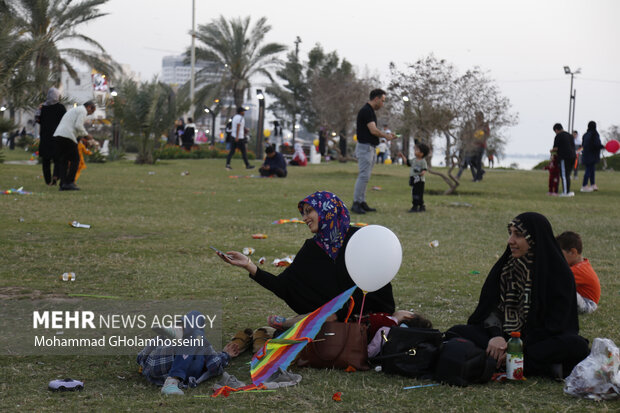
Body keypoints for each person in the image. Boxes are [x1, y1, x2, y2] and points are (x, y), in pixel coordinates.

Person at [446, 212, 589, 379]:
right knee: (455, 332)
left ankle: (498, 360)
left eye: (518, 235)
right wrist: (496, 337)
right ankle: (526, 365)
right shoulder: (507, 268)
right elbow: (491, 310)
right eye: (510, 234)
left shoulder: (558, 274)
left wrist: (517, 346)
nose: (511, 241)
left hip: (535, 342)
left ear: (534, 238)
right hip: (504, 336)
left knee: (576, 346)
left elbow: (556, 325)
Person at [217, 191, 395, 320]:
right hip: (336, 320)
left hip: (369, 315)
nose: (304, 218)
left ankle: (291, 324)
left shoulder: (359, 238)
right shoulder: (312, 248)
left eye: (309, 211)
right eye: (303, 213)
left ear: (327, 210)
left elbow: (379, 282)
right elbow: (284, 286)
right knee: (323, 320)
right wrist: (248, 264)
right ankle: (293, 324)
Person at [137, 310, 238, 395]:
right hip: (169, 363)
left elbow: (143, 354)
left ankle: (179, 329)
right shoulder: (200, 342)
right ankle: (172, 381)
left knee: (196, 325)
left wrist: (142, 361)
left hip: (161, 362)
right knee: (197, 321)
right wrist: (225, 355)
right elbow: (215, 364)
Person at [352, 89, 396, 214]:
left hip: (370, 147)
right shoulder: (366, 111)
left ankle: (362, 202)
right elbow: (373, 131)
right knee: (363, 176)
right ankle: (356, 203)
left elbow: (374, 131)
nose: (383, 104)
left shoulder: (370, 111)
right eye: (382, 101)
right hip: (365, 147)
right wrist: (386, 136)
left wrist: (386, 135)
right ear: (376, 99)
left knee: (366, 177)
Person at [53, 101, 96, 191]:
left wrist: (81, 137)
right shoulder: (83, 111)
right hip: (67, 136)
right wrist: (87, 136)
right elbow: (78, 126)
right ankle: (69, 182)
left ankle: (63, 183)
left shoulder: (75, 110)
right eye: (90, 112)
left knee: (64, 161)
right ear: (88, 107)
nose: (88, 115)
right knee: (75, 159)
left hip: (59, 135)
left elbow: (74, 126)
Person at [556, 231, 601, 314]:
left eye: (559, 255)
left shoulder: (578, 270)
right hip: (583, 301)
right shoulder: (581, 265)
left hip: (588, 304)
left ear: (573, 252)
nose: (557, 259)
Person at [37, 87, 66, 186]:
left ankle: (48, 180)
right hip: (57, 136)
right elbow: (65, 121)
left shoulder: (42, 108)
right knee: (58, 159)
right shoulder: (61, 107)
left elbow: (38, 120)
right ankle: (56, 177)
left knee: (46, 160)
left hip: (45, 137)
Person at [552, 123, 576, 197]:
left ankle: (565, 192)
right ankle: (567, 191)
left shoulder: (558, 136)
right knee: (567, 174)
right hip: (573, 157)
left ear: (556, 130)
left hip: (564, 157)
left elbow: (555, 148)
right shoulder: (570, 135)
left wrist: (551, 151)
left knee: (564, 175)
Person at [580, 121, 605, 192]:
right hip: (592, 155)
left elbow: (583, 145)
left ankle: (593, 185)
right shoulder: (595, 134)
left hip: (585, 154)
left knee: (591, 170)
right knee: (589, 170)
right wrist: (602, 146)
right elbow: (596, 144)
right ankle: (584, 185)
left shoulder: (585, 134)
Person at [406, 142, 429, 213]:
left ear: (422, 153)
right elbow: (407, 162)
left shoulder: (423, 161)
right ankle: (415, 205)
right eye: (415, 150)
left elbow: (424, 170)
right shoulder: (413, 160)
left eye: (417, 150)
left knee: (419, 193)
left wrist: (421, 174)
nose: (415, 151)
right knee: (414, 193)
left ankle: (420, 206)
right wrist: (403, 157)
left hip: (420, 180)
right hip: (413, 179)